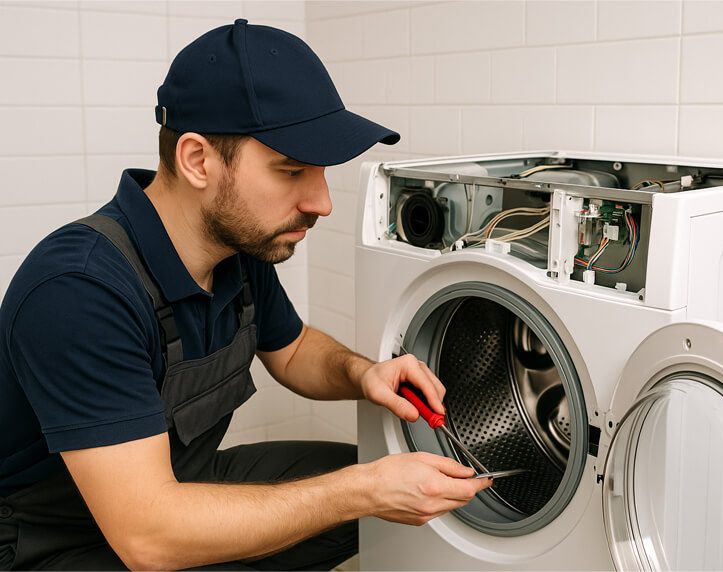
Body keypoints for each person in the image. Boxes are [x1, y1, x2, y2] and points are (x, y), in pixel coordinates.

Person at [0, 19, 491, 571]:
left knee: (358, 502)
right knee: (358, 495)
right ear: (197, 160)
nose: (322, 202)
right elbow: (148, 538)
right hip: (60, 544)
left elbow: (296, 350)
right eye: (292, 171)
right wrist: (365, 488)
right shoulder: (79, 291)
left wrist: (363, 373)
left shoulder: (236, 246)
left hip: (176, 489)